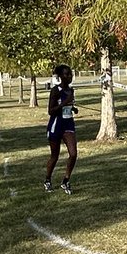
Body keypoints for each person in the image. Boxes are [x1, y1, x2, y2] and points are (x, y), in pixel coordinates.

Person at [44, 64, 78, 194]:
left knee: (73, 153)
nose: (69, 76)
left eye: (70, 74)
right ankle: (47, 180)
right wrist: (65, 103)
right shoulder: (55, 90)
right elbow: (50, 111)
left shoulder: (71, 90)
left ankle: (66, 181)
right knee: (55, 156)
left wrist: (73, 108)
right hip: (56, 125)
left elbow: (68, 106)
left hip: (68, 125)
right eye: (66, 74)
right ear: (60, 76)